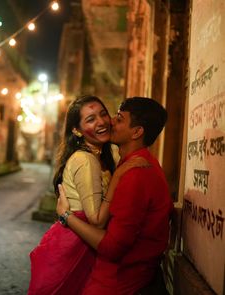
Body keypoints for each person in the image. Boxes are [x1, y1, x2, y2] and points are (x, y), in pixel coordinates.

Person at [27, 95, 145, 295]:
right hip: (75, 246)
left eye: (102, 114)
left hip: (80, 241)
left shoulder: (100, 156)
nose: (101, 122)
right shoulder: (85, 160)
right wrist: (120, 175)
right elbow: (97, 220)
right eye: (90, 119)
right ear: (77, 130)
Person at [57, 96, 174, 295]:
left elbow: (112, 247)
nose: (109, 121)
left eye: (118, 118)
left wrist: (65, 216)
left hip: (119, 282)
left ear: (137, 132)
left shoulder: (136, 173)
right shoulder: (130, 164)